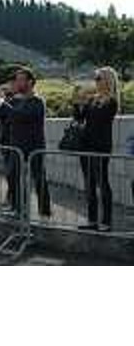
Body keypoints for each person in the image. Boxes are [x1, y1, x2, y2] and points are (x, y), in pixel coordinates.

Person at [0, 67, 51, 218]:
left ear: (30, 82)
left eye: (21, 79)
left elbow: (21, 116)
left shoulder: (38, 101)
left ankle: (44, 212)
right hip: (16, 145)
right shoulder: (15, 100)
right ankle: (19, 209)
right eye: (17, 79)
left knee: (39, 178)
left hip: (34, 146)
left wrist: (3, 104)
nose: (17, 82)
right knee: (13, 177)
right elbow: (4, 116)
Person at [73, 66, 119, 231]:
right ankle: (92, 220)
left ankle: (106, 221)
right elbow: (79, 118)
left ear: (107, 80)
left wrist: (90, 103)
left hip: (100, 147)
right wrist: (78, 104)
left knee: (102, 182)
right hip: (86, 145)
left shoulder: (111, 101)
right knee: (89, 184)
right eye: (95, 78)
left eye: (98, 78)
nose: (95, 81)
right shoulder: (92, 99)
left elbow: (101, 120)